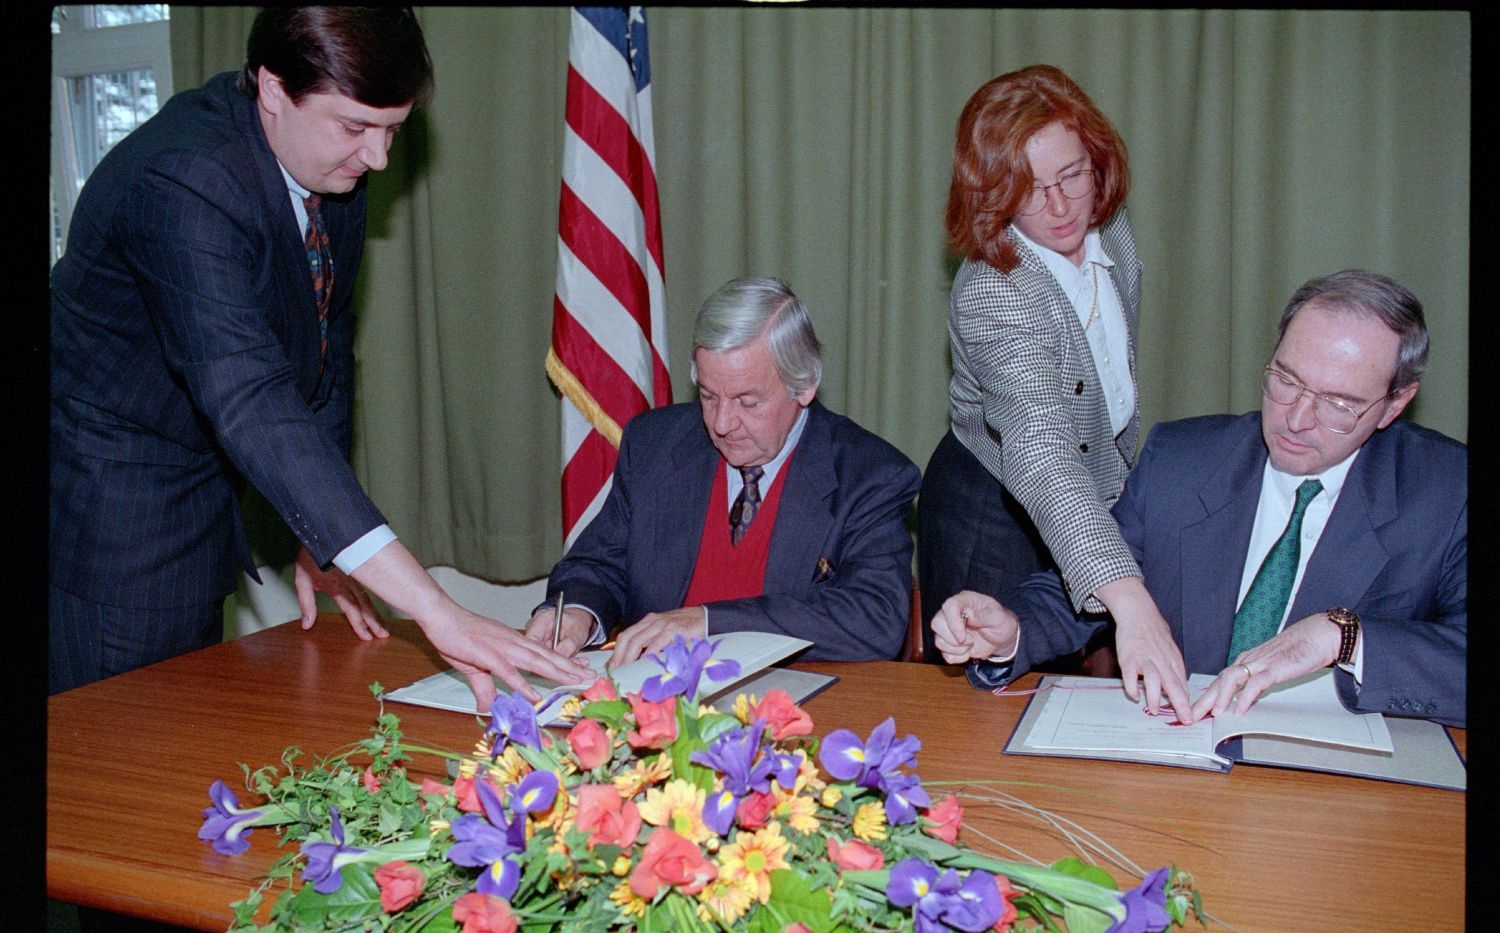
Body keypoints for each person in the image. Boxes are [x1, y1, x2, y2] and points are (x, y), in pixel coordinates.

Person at [49, 7, 592, 705]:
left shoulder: (323, 164)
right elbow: (252, 397)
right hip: (111, 515)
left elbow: (325, 351)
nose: (378, 159)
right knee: (121, 745)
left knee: (188, 721)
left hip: (200, 489)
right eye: (356, 127)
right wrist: (435, 608)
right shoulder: (185, 180)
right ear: (273, 88)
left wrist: (320, 538)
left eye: (393, 129)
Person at [933, 270, 1466, 727]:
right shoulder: (1183, 461)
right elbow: (1091, 588)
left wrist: (1343, 638)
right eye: (1285, 379)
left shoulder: (1446, 493)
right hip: (1181, 757)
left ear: (1396, 404)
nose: (1297, 420)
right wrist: (1010, 631)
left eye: (1339, 403)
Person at [917, 64, 1185, 711]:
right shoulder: (992, 293)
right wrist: (1131, 600)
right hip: (995, 508)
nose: (1063, 207)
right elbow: (1039, 451)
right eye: (1032, 190)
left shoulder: (1110, 227)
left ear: (1098, 163)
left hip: (1088, 485)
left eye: (1072, 175)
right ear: (993, 195)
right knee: (990, 707)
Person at [523, 276, 922, 667]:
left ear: (803, 386)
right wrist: (578, 614)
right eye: (709, 397)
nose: (722, 423)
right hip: (657, 702)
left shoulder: (871, 475)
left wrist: (708, 621)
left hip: (793, 705)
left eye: (748, 402)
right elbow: (598, 564)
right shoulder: (654, 445)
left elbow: (875, 618)